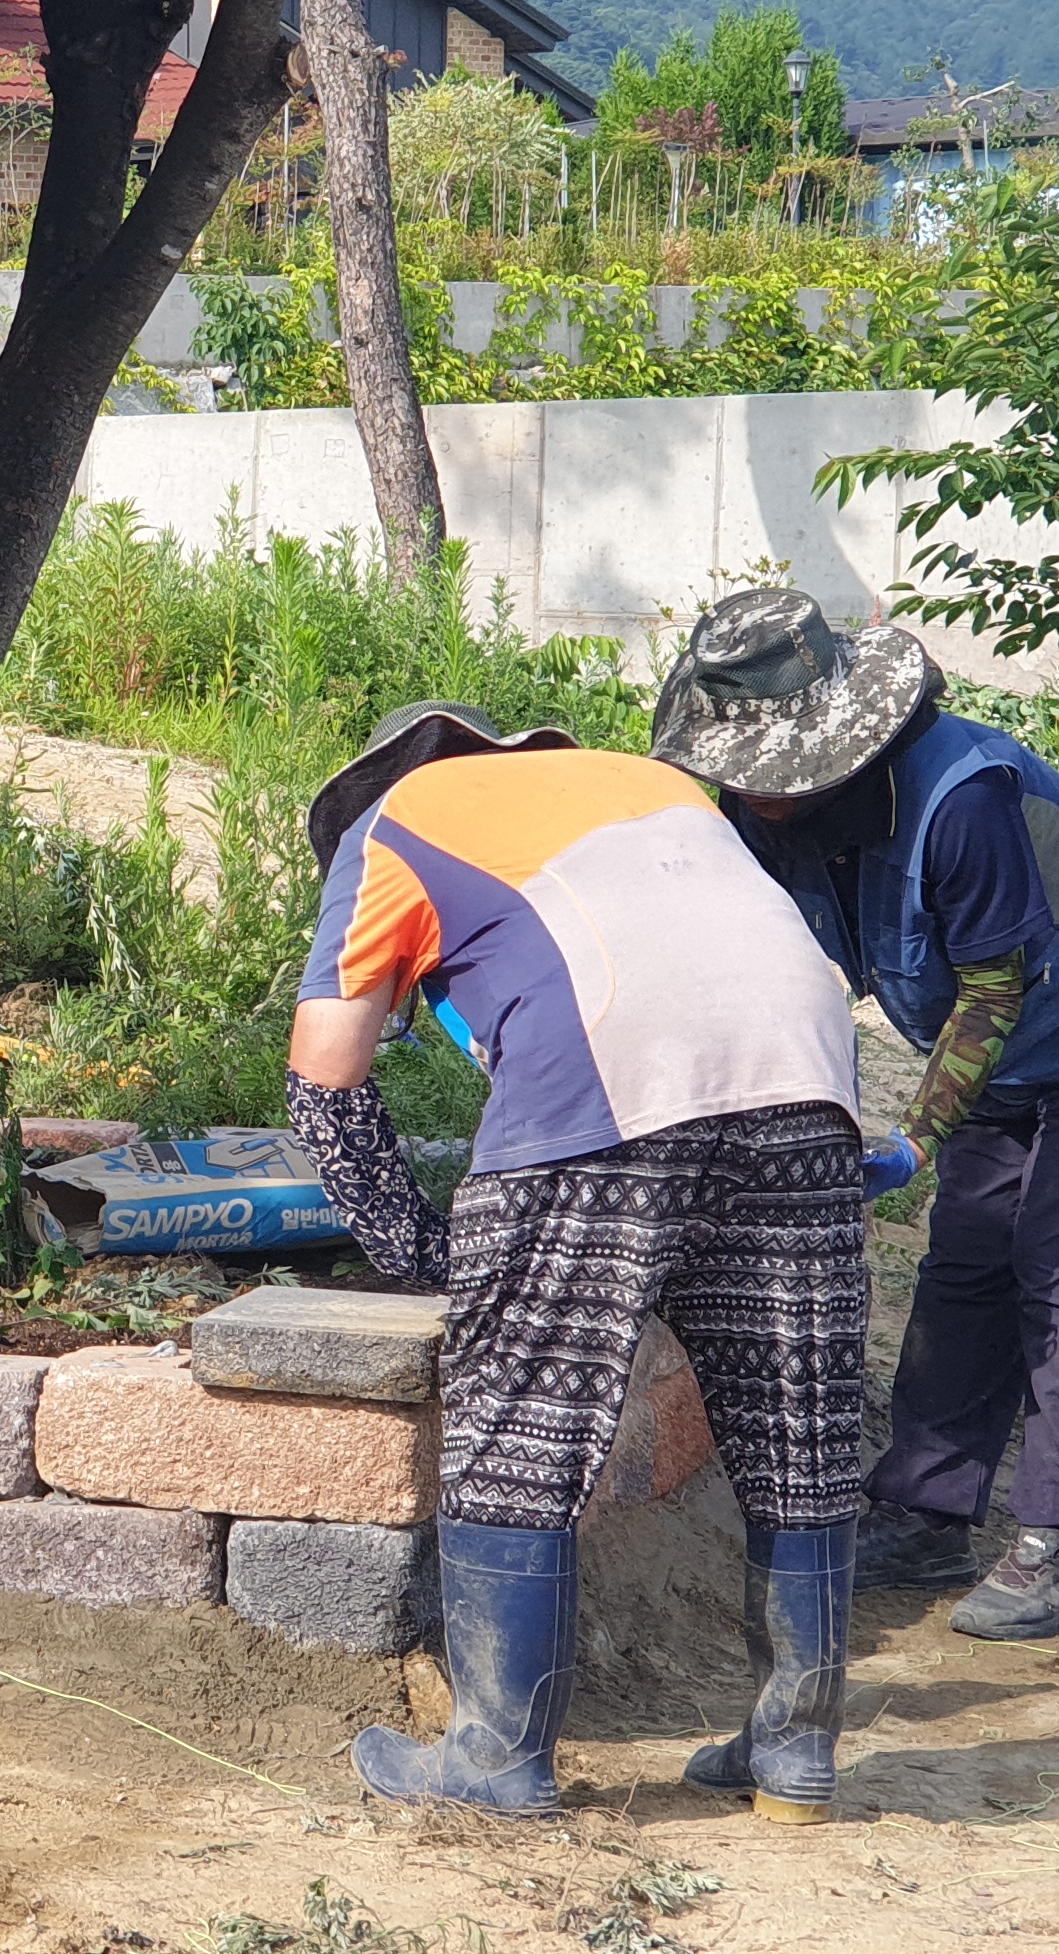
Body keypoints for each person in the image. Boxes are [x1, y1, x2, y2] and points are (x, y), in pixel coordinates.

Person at [286, 704, 872, 1821]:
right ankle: (796, 1751)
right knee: (796, 1421)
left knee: (520, 1417)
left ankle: (497, 1757)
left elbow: (327, 1074)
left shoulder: (394, 826)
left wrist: (418, 1251)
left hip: (603, 1103)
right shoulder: (654, 787)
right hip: (809, 1085)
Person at [653, 591, 1059, 1643]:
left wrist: (916, 1135)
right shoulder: (756, 814)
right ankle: (922, 1511)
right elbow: (771, 966)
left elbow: (995, 988)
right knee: (966, 1262)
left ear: (839, 740)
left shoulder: (963, 799)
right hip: (1004, 1036)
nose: (753, 793)